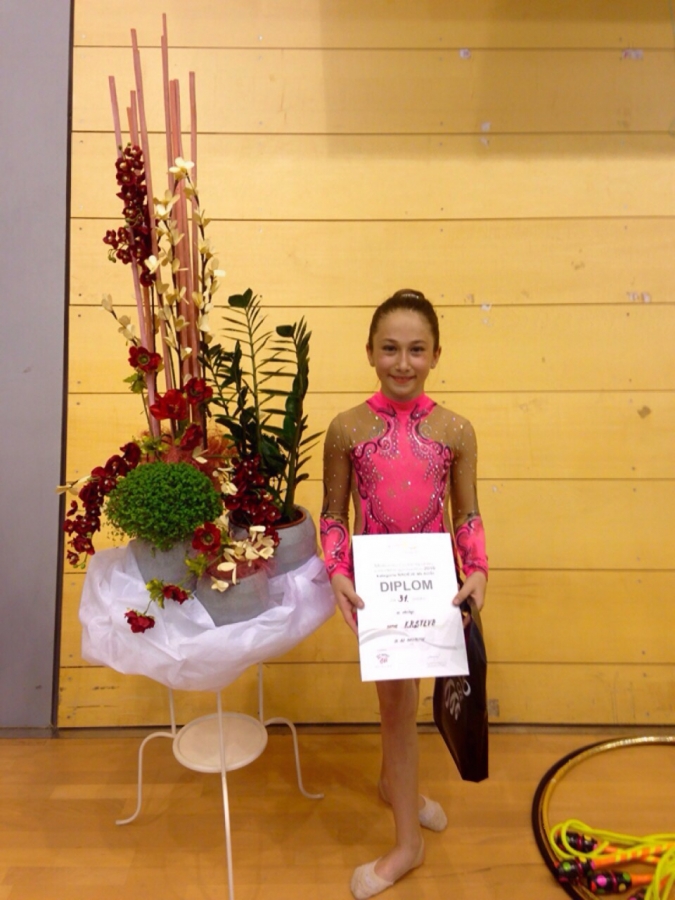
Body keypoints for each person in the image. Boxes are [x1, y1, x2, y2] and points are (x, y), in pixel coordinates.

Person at [320, 289, 488, 899]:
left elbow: (466, 512)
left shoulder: (455, 430)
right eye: (389, 348)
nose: (402, 362)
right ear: (369, 351)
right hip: (378, 589)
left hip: (433, 586)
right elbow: (333, 514)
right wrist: (338, 571)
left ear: (436, 354)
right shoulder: (346, 429)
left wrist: (478, 568)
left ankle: (396, 788)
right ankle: (407, 842)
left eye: (417, 350)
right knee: (396, 706)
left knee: (404, 702)